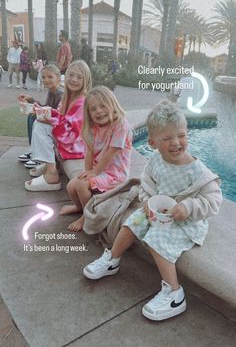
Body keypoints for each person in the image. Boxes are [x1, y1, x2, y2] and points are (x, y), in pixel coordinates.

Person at [83, 100, 222, 321]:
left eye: (181, 135)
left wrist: (188, 206)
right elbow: (147, 186)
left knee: (156, 239)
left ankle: (174, 294)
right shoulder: (155, 161)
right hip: (160, 214)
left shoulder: (196, 170)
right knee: (132, 222)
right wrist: (146, 202)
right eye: (167, 138)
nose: (176, 143)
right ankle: (112, 259)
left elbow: (214, 200)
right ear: (152, 142)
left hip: (187, 220)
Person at [60, 85, 133, 232]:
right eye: (93, 109)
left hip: (115, 175)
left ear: (112, 105)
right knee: (71, 186)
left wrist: (94, 172)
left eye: (102, 106)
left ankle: (87, 217)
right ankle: (79, 207)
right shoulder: (93, 127)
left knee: (80, 185)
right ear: (88, 113)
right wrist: (87, 172)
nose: (98, 111)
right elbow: (89, 153)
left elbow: (111, 153)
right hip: (99, 171)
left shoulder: (120, 125)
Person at [24, 60, 92, 192]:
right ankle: (50, 165)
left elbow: (71, 134)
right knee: (39, 122)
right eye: (71, 75)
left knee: (41, 126)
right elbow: (60, 116)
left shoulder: (81, 102)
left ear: (86, 81)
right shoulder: (68, 97)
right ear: (65, 77)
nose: (73, 79)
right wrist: (40, 110)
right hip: (70, 142)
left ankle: (51, 174)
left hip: (76, 147)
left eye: (79, 77)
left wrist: (49, 121)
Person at [17, 64, 63, 167]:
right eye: (43, 77)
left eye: (50, 77)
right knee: (31, 116)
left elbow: (57, 114)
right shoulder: (52, 91)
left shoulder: (60, 94)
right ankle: (33, 149)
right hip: (51, 122)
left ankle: (38, 155)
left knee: (35, 118)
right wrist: (31, 100)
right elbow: (45, 107)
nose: (46, 80)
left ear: (58, 79)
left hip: (58, 126)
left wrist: (38, 112)